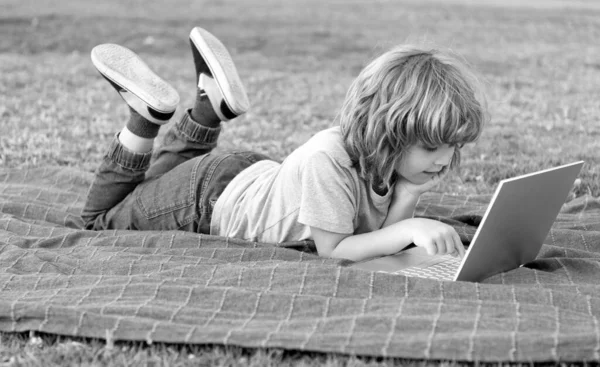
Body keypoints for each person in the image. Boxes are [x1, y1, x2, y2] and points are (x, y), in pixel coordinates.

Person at [82, 27, 487, 262]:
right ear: (388, 131)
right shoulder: (329, 161)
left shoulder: (388, 163)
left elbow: (384, 235)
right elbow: (335, 250)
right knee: (99, 222)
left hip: (243, 178)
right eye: (432, 148)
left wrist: (409, 196)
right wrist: (414, 226)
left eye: (453, 146)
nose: (446, 160)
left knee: (152, 187)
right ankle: (144, 119)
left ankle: (209, 108)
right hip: (207, 202)